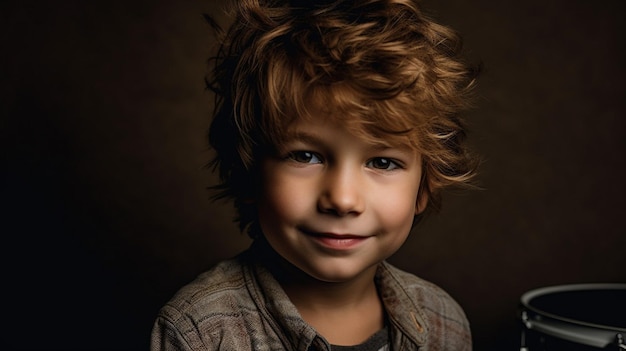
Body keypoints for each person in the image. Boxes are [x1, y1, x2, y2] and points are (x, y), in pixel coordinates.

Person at [151, 0, 479, 349]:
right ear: (248, 172)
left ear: (423, 187)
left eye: (382, 162)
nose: (342, 199)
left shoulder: (444, 323)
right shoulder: (200, 334)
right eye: (305, 156)